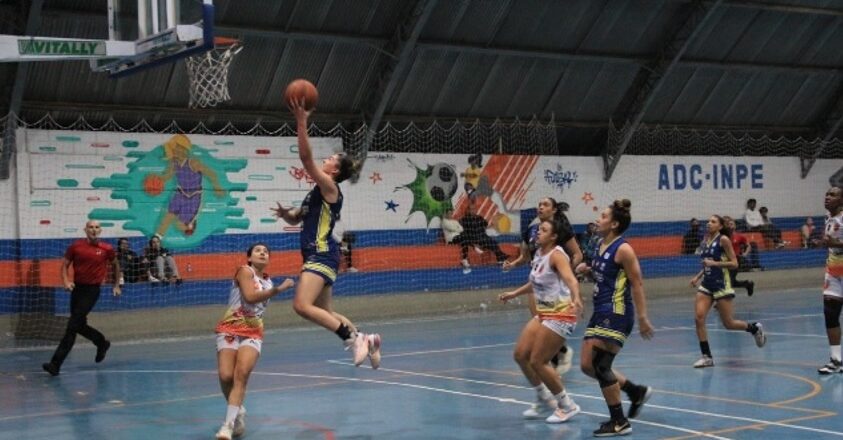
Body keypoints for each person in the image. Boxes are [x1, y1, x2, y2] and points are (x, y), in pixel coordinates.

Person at [271, 96, 380, 368]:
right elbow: (298, 218)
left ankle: (350, 339)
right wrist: (287, 214)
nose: (326, 159)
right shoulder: (316, 194)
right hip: (320, 253)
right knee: (325, 312)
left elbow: (306, 159)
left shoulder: (330, 187)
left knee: (301, 306)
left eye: (332, 158)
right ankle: (364, 338)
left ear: (336, 170)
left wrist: (301, 122)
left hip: (321, 252)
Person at [575, 200, 654, 437]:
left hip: (616, 312)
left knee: (601, 365)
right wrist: (588, 271)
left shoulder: (624, 249)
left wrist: (642, 317)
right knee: (587, 365)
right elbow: (605, 275)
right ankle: (634, 391)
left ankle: (619, 422)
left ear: (615, 223)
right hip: (600, 310)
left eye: (604, 216)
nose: (599, 219)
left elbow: (637, 283)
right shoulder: (600, 244)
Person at [498, 219, 583, 423]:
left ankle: (567, 405)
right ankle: (544, 398)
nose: (538, 232)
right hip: (545, 313)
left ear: (553, 236)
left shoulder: (557, 255)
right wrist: (514, 293)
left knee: (538, 360)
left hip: (562, 313)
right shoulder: (539, 254)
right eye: (538, 229)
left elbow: (571, 279)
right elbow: (535, 281)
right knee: (520, 355)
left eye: (543, 230)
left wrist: (577, 297)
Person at [214, 244, 295, 440]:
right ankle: (238, 410)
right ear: (249, 257)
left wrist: (274, 288)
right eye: (258, 250)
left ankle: (228, 425)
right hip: (230, 327)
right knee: (226, 376)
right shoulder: (244, 271)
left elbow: (257, 304)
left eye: (266, 251)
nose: (263, 253)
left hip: (253, 332)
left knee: (241, 375)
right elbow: (250, 297)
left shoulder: (267, 282)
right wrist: (279, 289)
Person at [503, 197, 583, 375]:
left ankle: (557, 358)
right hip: (537, 283)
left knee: (550, 325)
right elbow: (525, 257)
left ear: (554, 210)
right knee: (541, 322)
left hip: (554, 286)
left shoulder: (560, 231)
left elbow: (578, 254)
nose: (540, 207)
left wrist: (566, 275)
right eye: (539, 204)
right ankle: (556, 358)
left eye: (545, 205)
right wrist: (512, 264)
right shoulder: (532, 230)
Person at [42, 221, 121, 376]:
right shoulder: (75, 247)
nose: (94, 229)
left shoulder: (107, 249)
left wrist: (116, 285)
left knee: (72, 326)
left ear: (100, 230)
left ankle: (55, 364)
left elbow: (116, 266)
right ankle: (101, 342)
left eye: (97, 227)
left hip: (92, 291)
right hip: (77, 289)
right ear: (85, 230)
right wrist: (66, 281)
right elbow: (64, 265)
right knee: (79, 325)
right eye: (91, 227)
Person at [690, 215, 767, 368]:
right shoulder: (706, 240)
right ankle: (707, 357)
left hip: (722, 284)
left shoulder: (724, 240)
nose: (709, 223)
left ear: (720, 226)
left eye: (713, 221)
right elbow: (707, 263)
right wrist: (698, 276)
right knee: (699, 319)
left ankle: (754, 328)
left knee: (729, 323)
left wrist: (714, 263)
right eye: (708, 221)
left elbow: (734, 263)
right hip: (707, 285)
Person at [154, 134, 225, 237]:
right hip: (180, 193)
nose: (172, 151)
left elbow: (211, 173)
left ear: (183, 149)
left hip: (193, 196)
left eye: (174, 148)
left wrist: (217, 187)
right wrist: (158, 180)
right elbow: (168, 175)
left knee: (178, 225)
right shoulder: (174, 163)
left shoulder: (193, 162)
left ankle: (189, 226)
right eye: (172, 148)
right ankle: (156, 239)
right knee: (167, 217)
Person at [819, 187, 843, 375]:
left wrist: (835, 244)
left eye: (833, 194)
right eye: (827, 194)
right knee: (830, 313)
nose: (827, 197)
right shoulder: (828, 218)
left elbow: (836, 243)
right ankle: (836, 360)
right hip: (833, 272)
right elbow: (831, 242)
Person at [458, 203, 510, 270]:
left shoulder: (479, 217)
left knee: (493, 242)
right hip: (474, 238)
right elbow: (463, 232)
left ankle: (500, 258)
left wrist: (492, 225)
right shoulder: (464, 219)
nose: (473, 210)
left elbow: (486, 226)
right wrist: (473, 244)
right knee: (486, 241)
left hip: (483, 237)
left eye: (474, 209)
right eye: (471, 209)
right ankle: (502, 256)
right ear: (468, 210)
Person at [723, 216, 756, 296]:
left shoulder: (739, 236)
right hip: (724, 260)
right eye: (728, 224)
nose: (730, 225)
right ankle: (747, 284)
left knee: (728, 281)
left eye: (732, 224)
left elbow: (748, 246)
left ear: (735, 226)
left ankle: (726, 298)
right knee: (731, 281)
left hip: (736, 260)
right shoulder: (723, 236)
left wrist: (745, 254)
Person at [441, 208, 471, 274]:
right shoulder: (444, 221)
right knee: (464, 238)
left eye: (451, 213)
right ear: (446, 214)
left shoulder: (455, 221)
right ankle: (472, 248)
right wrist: (457, 228)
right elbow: (451, 228)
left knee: (464, 240)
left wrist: (455, 229)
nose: (450, 215)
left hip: (458, 237)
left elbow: (462, 229)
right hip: (451, 239)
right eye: (448, 213)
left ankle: (464, 259)